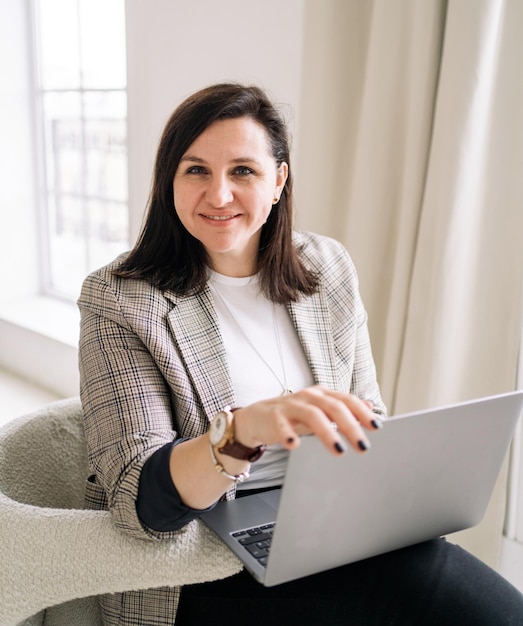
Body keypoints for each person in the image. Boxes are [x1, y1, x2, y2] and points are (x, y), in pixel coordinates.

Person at [78, 83, 523, 625]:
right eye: (196, 170)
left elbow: (368, 417)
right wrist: (244, 431)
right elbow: (140, 505)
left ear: (278, 180)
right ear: (169, 181)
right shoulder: (120, 298)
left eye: (243, 170)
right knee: (426, 590)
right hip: (201, 567)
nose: (218, 195)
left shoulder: (327, 266)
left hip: (330, 523)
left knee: (433, 570)